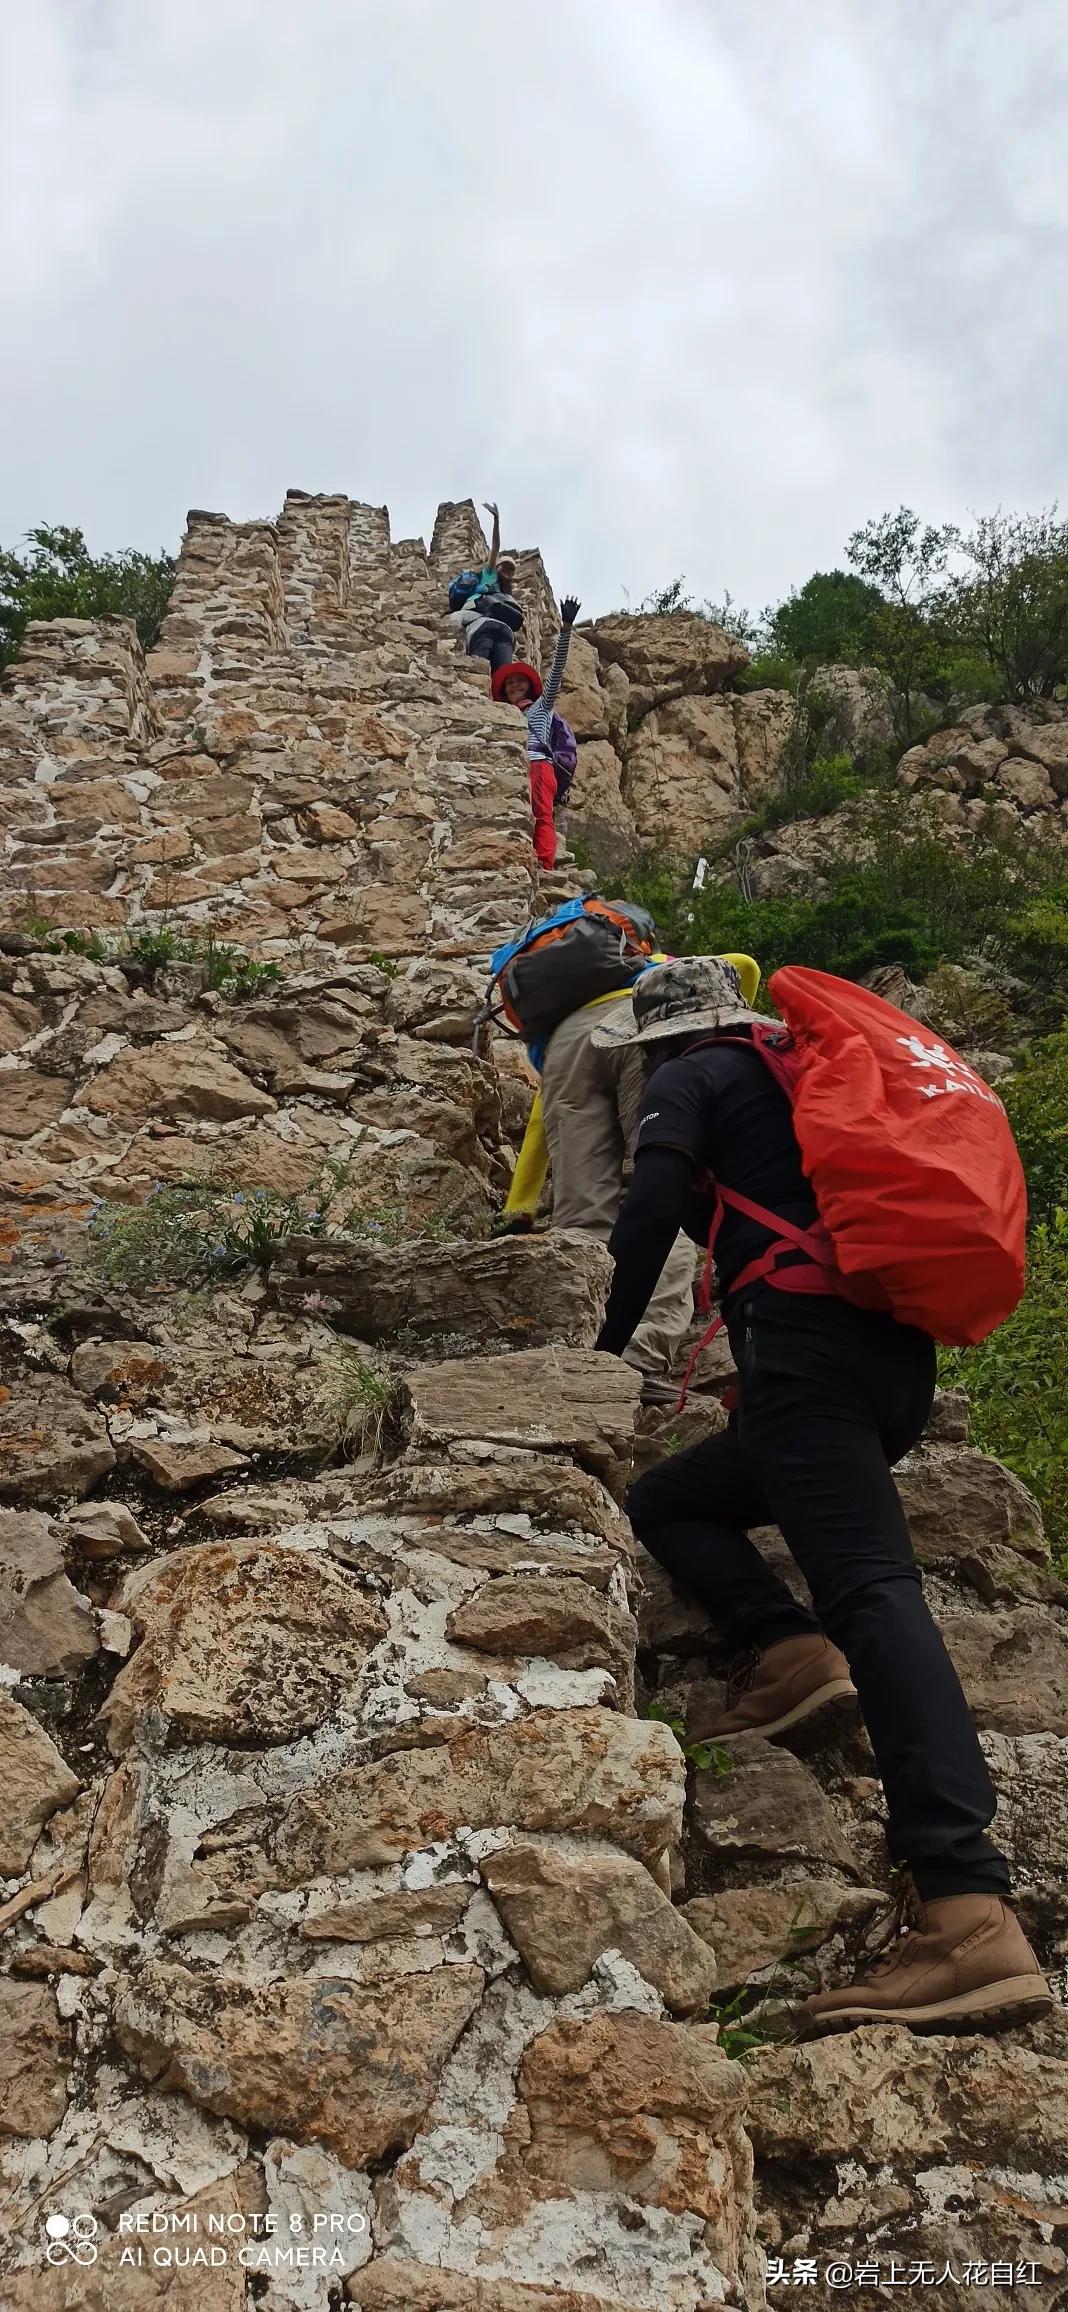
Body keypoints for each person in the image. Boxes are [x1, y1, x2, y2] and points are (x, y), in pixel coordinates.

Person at [591, 955, 1051, 2033]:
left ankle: (965, 1911)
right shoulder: (801, 1078)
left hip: (806, 1353)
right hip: (889, 1366)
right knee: (675, 1500)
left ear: (661, 1039)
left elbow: (654, 1197)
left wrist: (604, 1348)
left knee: (878, 1592)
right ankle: (792, 1651)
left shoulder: (692, 1072)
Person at [503, 945, 762, 1402]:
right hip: (644, 1033)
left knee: (583, 1217)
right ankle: (637, 1360)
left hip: (567, 1049)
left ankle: (586, 1353)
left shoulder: (555, 1021)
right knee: (665, 1186)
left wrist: (519, 1206)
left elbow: (540, 1122)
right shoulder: (662, 969)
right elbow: (746, 967)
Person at [491, 596, 581, 869]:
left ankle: (544, 865)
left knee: (541, 814)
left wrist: (566, 627)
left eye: (519, 681)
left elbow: (556, 673)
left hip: (539, 764)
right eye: (509, 683)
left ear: (529, 686)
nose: (514, 686)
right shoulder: (502, 717)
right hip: (516, 767)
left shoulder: (541, 708)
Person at [452, 503, 524, 676]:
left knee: (501, 665)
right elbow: (496, 546)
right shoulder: (490, 575)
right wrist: (496, 521)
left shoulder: (506, 595)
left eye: (511, 570)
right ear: (496, 567)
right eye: (504, 567)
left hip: (500, 628)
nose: (507, 572)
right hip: (476, 615)